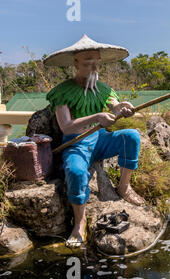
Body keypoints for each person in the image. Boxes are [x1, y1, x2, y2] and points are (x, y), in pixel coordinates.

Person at [44, 34, 145, 248]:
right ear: (76, 63)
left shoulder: (104, 89)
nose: (94, 68)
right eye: (88, 62)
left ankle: (124, 187)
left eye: (97, 63)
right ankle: (79, 222)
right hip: (76, 143)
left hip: (100, 140)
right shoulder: (63, 92)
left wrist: (123, 108)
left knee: (131, 136)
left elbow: (114, 106)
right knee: (77, 172)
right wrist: (96, 117)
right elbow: (66, 126)